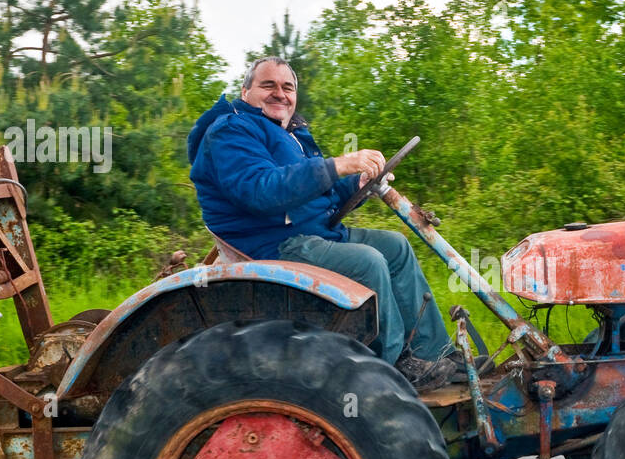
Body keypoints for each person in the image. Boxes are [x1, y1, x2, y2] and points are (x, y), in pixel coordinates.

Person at [187, 56, 458, 389]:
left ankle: (435, 354)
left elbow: (316, 194)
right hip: (270, 244)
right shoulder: (232, 130)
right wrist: (338, 165)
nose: (280, 94)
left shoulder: (290, 135)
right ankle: (392, 369)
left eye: (288, 87)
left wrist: (353, 184)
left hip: (313, 233)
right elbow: (261, 189)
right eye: (268, 85)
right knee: (367, 262)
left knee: (396, 247)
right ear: (245, 91)